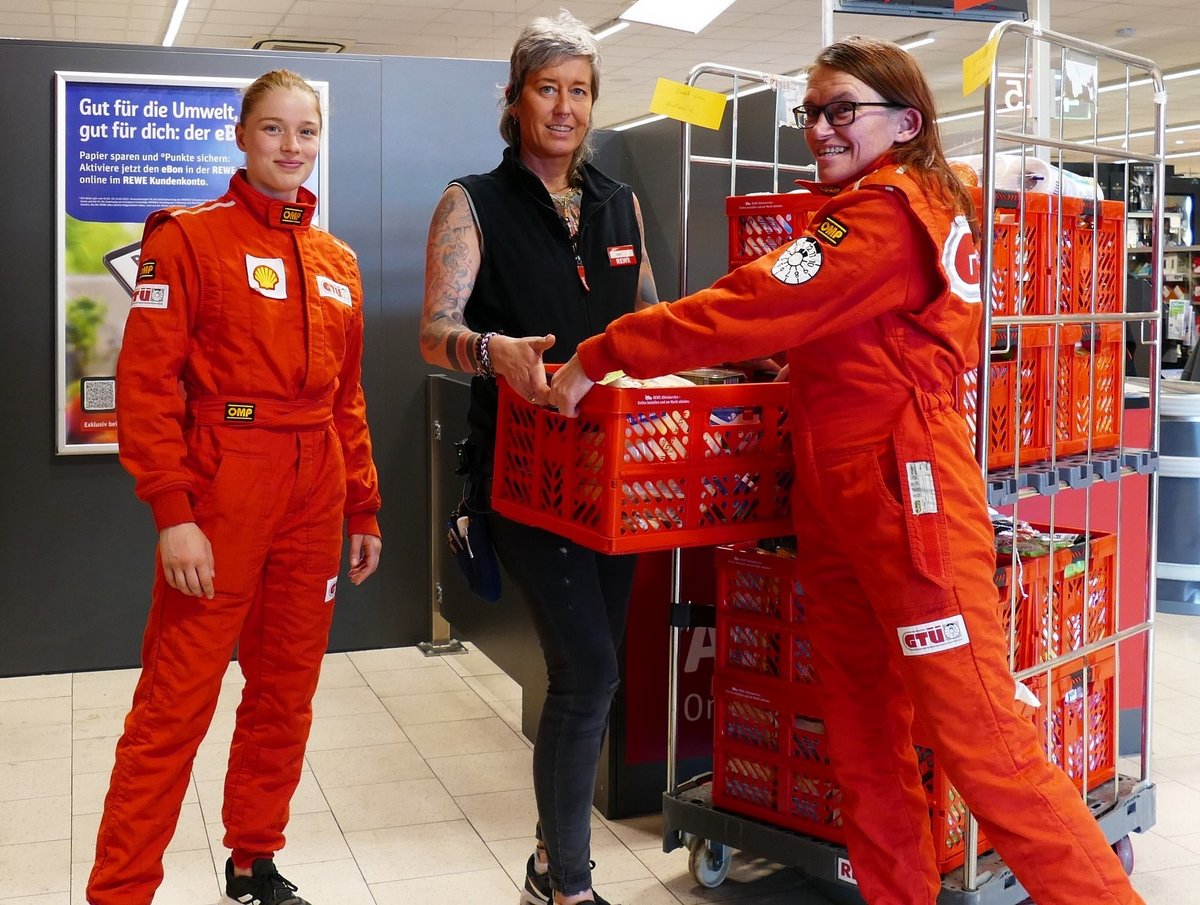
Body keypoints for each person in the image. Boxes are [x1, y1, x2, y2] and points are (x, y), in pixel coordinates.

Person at [549, 36, 1145, 905]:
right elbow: (843, 334)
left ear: (905, 121)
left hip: (907, 491)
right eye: (812, 111)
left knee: (983, 743)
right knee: (863, 743)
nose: (820, 128)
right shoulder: (899, 205)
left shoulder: (884, 217)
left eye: (841, 111)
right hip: (842, 487)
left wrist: (603, 353)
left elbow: (750, 303)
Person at [87, 69, 382, 905]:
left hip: (315, 486)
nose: (292, 148)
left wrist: (363, 501)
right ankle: (119, 891)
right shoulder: (186, 239)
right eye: (274, 130)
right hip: (222, 492)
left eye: (306, 132)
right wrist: (173, 513)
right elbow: (145, 386)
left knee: (286, 694)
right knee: (173, 707)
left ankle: (254, 858)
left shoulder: (338, 261)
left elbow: (347, 395)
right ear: (241, 136)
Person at [418, 12, 657, 905]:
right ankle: (571, 885)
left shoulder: (619, 202)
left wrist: (725, 355)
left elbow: (647, 322)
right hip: (522, 477)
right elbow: (432, 331)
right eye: (547, 88)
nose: (565, 107)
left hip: (613, 482)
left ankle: (549, 862)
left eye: (580, 90)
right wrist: (493, 351)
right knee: (588, 670)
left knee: (594, 673)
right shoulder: (471, 200)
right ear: (515, 101)